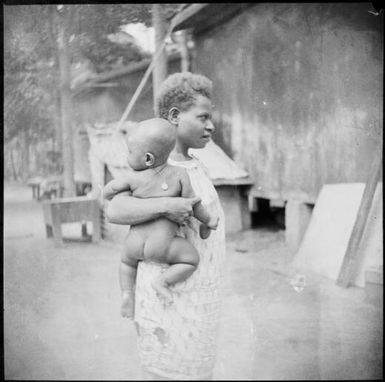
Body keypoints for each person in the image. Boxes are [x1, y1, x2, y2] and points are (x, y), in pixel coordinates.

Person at [106, 72, 226, 380]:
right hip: (167, 288)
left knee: (198, 367)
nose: (211, 125)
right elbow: (115, 209)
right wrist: (167, 204)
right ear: (174, 116)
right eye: (203, 117)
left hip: (201, 285)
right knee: (168, 368)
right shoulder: (151, 169)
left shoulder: (196, 165)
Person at [103, 117, 219, 318]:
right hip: (162, 245)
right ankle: (163, 281)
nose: (127, 158)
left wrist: (106, 191)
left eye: (130, 153)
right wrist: (208, 220)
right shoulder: (179, 174)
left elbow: (109, 191)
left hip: (134, 243)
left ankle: (126, 295)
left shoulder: (132, 177)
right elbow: (194, 203)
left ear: (147, 159)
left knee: (126, 264)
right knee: (191, 259)